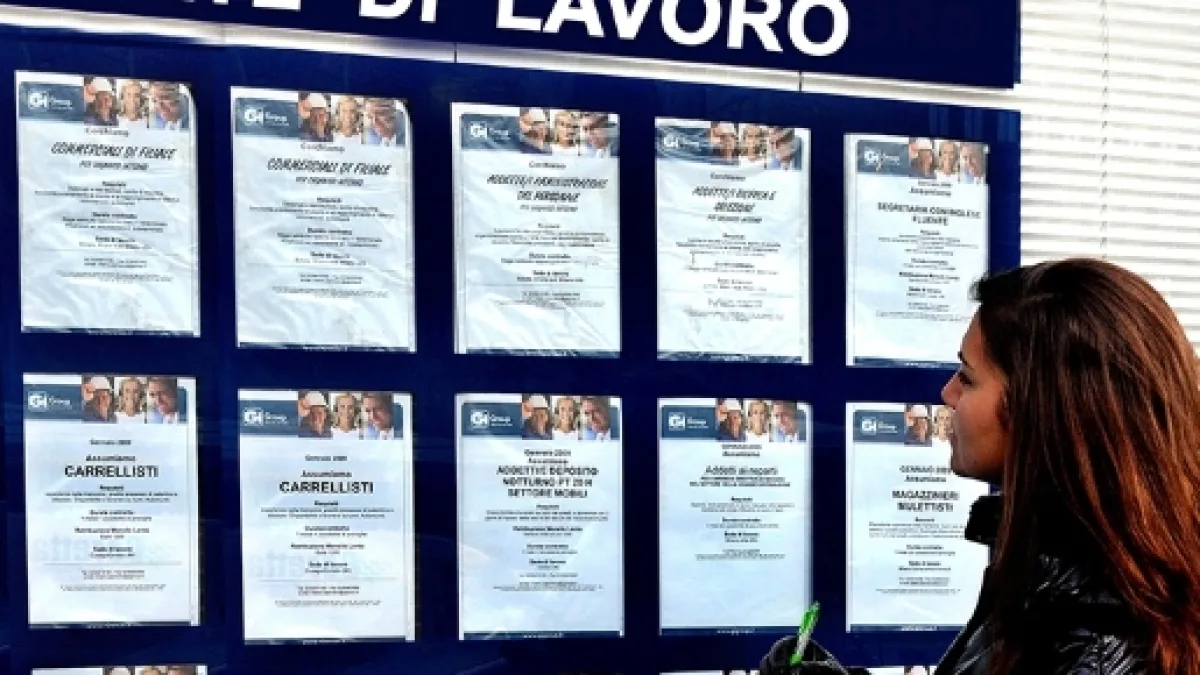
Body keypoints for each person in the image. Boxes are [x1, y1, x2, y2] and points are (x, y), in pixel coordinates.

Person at [934, 258, 1200, 673]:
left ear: (1041, 408)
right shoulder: (1054, 577)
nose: (948, 393)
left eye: (967, 378)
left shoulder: (1096, 640)